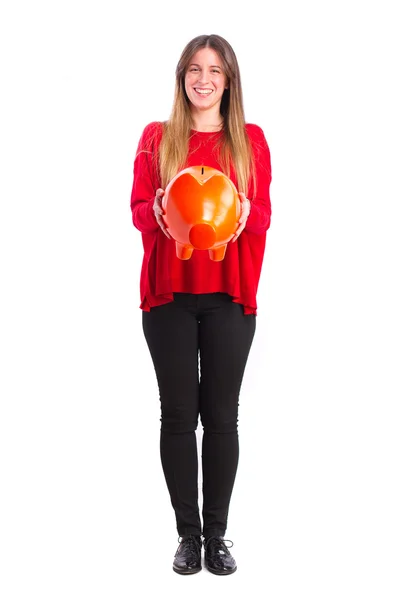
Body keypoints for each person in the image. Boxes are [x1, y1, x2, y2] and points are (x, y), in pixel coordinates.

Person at [130, 34, 272, 575]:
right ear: (182, 78)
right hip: (168, 296)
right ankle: (187, 535)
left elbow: (261, 218)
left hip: (229, 297)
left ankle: (218, 536)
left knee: (220, 418)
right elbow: (139, 211)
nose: (203, 78)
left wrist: (240, 211)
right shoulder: (157, 138)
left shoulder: (249, 142)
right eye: (194, 69)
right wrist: (163, 208)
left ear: (229, 80)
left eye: (214, 70)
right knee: (177, 415)